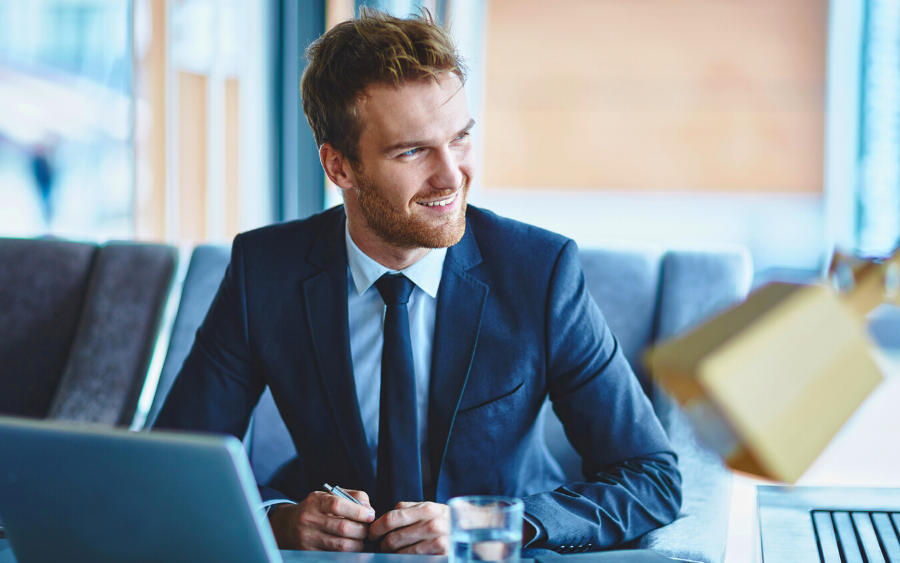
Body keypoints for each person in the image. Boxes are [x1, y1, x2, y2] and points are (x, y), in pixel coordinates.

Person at [155, 8, 681, 555]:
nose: (452, 176)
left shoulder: (540, 272)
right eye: (412, 151)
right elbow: (176, 463)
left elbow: (651, 478)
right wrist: (281, 519)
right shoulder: (264, 270)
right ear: (339, 168)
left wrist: (488, 528)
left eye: (459, 139)